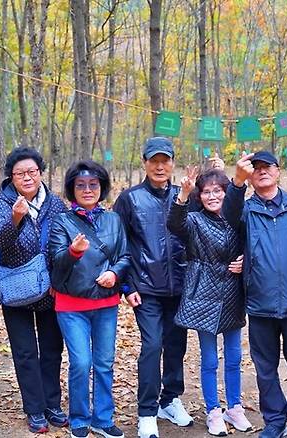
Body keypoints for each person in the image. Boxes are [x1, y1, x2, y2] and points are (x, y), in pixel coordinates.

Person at [223, 151, 287, 438]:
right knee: (265, 369)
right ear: (251, 176)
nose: (262, 171)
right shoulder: (245, 210)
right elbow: (228, 217)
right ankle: (274, 421)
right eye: (256, 168)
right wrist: (237, 182)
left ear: (278, 171)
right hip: (260, 302)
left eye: (267, 167)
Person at [113, 137, 192, 438]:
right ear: (144, 163)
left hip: (181, 286)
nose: (160, 166)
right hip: (145, 287)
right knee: (152, 345)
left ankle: (169, 400)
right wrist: (125, 284)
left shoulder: (184, 195)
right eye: (154, 160)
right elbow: (117, 243)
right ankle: (147, 411)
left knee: (176, 346)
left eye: (166, 160)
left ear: (173, 163)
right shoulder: (129, 198)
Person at [49, 160, 131, 438]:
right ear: (72, 189)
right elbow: (56, 264)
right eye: (80, 185)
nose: (87, 190)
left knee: (105, 363)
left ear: (102, 188)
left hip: (106, 303)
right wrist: (72, 251)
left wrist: (114, 274)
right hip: (71, 306)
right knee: (81, 362)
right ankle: (80, 418)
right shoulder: (62, 221)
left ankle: (103, 418)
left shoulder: (113, 220)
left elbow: (125, 256)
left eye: (93, 185)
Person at [167, 167, 251, 437]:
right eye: (206, 192)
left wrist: (245, 262)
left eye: (218, 190)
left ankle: (234, 407)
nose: (212, 196)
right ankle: (214, 410)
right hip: (203, 292)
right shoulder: (194, 220)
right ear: (199, 196)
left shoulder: (237, 217)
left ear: (227, 193)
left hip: (232, 292)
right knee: (210, 358)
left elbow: (253, 244)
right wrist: (183, 193)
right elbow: (174, 224)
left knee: (235, 356)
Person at [0, 147, 68, 433]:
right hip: (15, 288)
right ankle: (34, 409)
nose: (27, 177)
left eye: (32, 172)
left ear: (40, 173)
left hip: (49, 289)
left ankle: (52, 404)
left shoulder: (56, 204)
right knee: (24, 352)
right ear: (11, 176)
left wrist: (58, 282)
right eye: (20, 173)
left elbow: (63, 242)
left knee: (51, 350)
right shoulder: (2, 202)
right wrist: (15, 218)